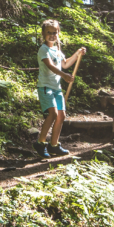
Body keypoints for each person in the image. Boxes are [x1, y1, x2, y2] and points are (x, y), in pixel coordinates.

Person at [35, 19, 85, 158]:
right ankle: (41, 143)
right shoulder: (43, 49)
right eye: (49, 32)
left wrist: (77, 54)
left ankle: (54, 145)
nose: (52, 35)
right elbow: (50, 65)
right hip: (46, 87)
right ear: (43, 33)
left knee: (61, 115)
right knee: (53, 114)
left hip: (56, 88)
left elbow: (65, 64)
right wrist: (64, 76)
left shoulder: (57, 50)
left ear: (58, 33)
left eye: (54, 32)